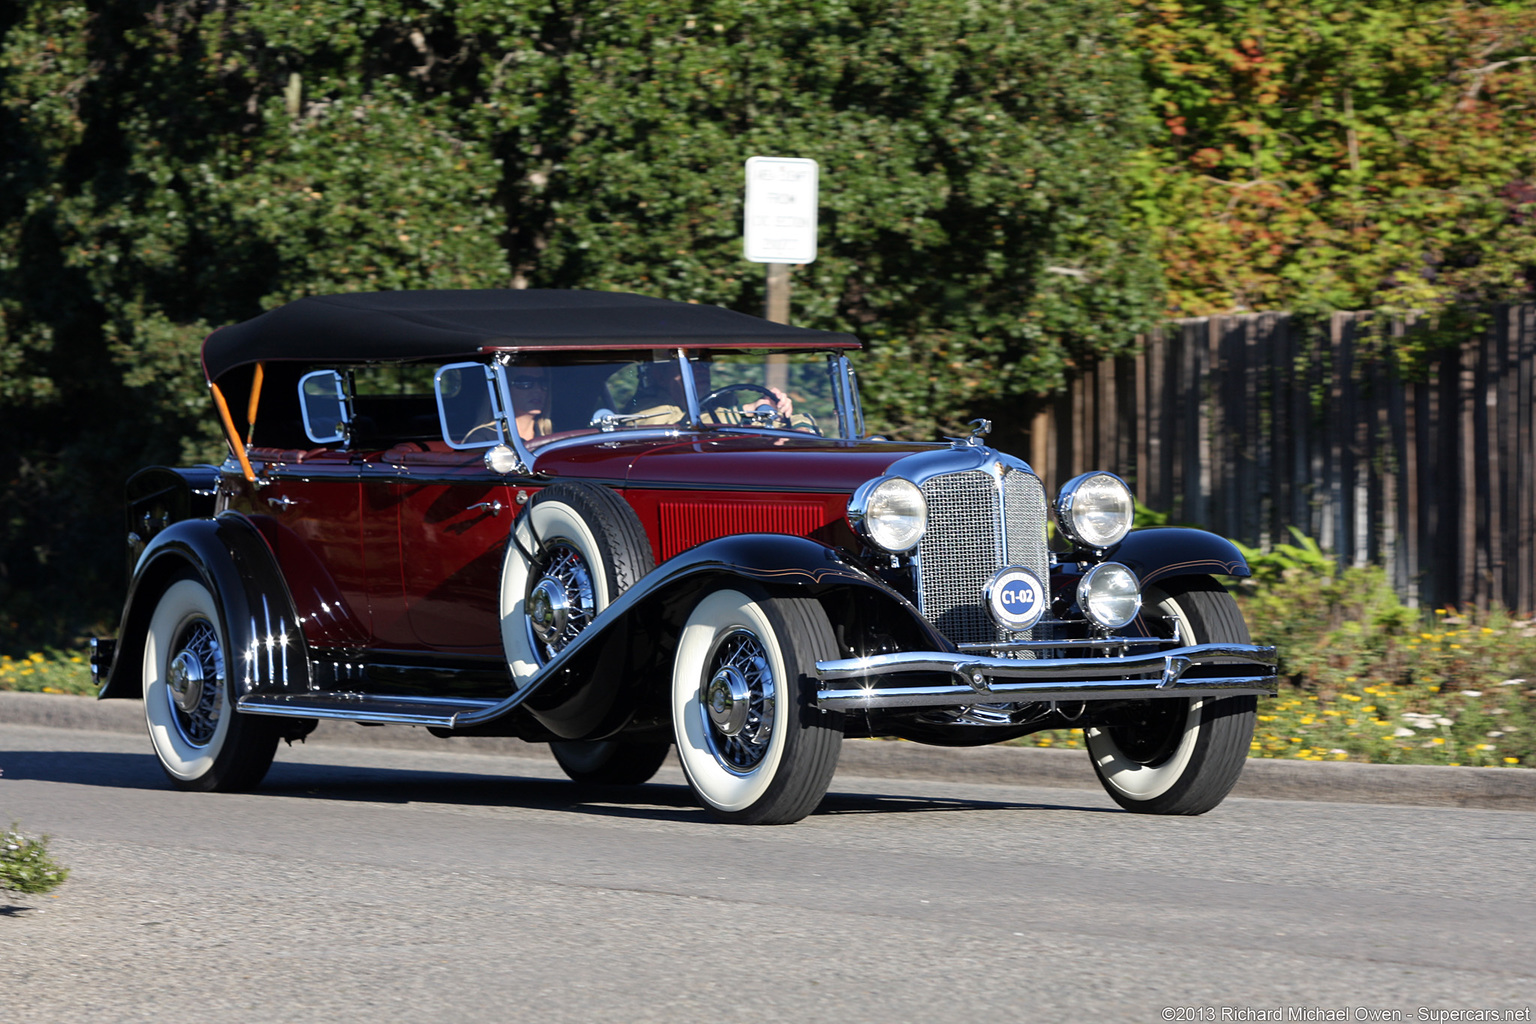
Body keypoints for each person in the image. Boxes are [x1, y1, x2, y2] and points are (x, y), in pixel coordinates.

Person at [509, 365, 552, 441]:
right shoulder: (489, 440)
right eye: (525, 382)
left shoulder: (554, 439)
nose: (538, 390)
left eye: (542, 383)